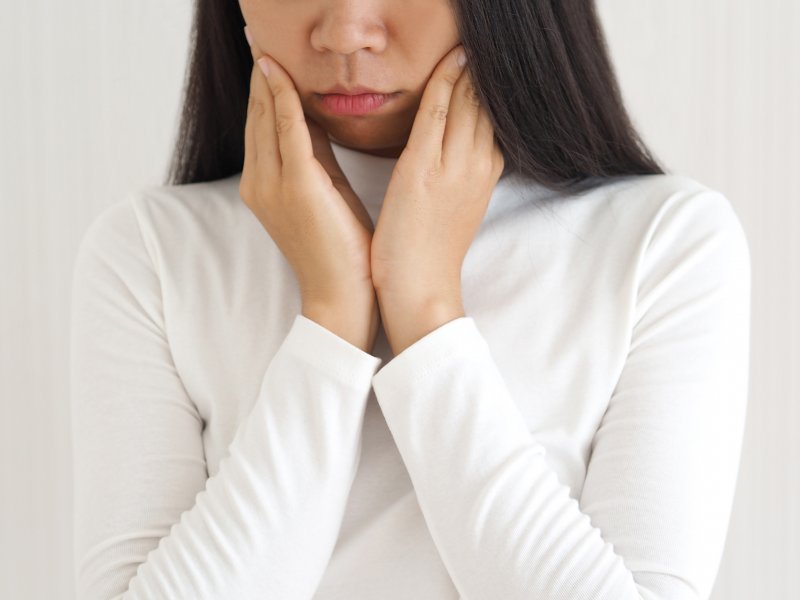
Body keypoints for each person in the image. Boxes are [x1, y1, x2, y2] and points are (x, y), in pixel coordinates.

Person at [70, 1, 751, 599]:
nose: (345, 32)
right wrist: (332, 319)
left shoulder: (663, 244)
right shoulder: (151, 251)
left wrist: (425, 308)